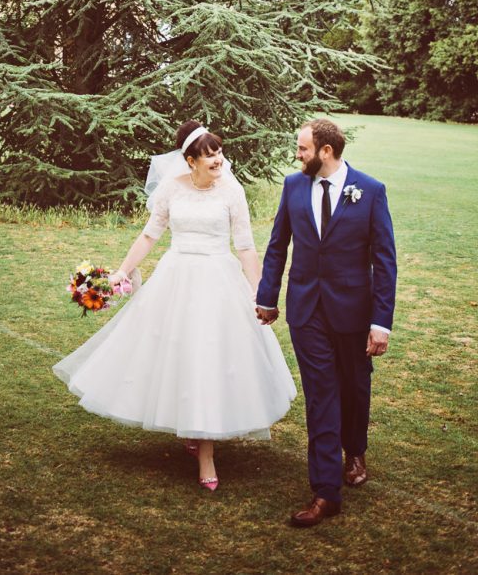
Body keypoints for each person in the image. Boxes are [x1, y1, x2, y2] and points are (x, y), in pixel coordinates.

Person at [53, 120, 297, 491]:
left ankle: (206, 453)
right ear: (189, 160)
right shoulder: (172, 189)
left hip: (218, 278)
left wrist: (260, 292)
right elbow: (150, 234)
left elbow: (245, 246)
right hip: (176, 276)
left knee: (208, 358)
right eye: (209, 154)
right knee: (178, 356)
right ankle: (191, 427)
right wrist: (123, 270)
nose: (218, 160)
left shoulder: (232, 191)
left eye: (219, 152)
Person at [256, 118, 397, 527]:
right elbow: (278, 244)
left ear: (326, 151)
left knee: (354, 387)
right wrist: (267, 297)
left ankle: (354, 449)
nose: (296, 155)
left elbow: (384, 261)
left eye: (302, 149)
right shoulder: (293, 186)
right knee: (321, 395)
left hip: (353, 312)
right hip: (306, 310)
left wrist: (380, 322)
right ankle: (325, 491)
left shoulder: (370, 191)